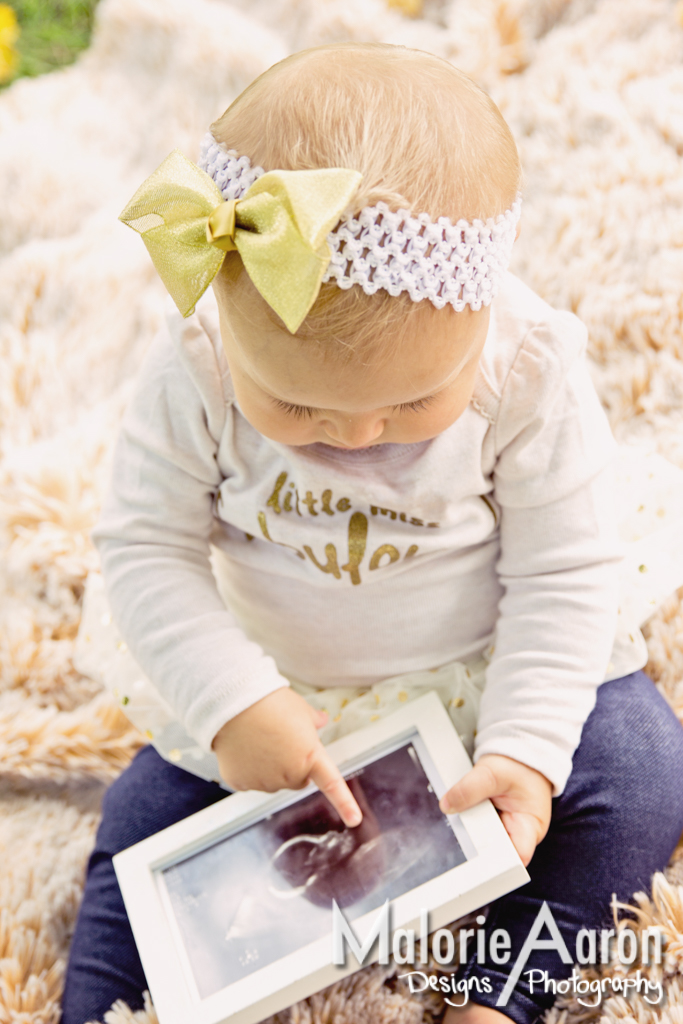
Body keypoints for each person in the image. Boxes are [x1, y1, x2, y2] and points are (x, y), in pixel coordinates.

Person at [60, 42, 683, 1024]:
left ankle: (503, 992)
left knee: (642, 766)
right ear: (224, 304)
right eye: (298, 405)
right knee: (139, 829)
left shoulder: (524, 373)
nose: (354, 436)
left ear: (479, 313)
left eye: (409, 402)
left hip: (488, 666)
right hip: (284, 698)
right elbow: (146, 548)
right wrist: (230, 700)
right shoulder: (195, 371)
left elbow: (562, 573)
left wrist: (523, 748)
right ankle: (94, 1006)